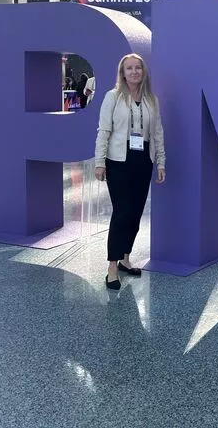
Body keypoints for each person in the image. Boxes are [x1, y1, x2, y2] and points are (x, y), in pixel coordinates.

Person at [94, 54, 166, 290]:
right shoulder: (112, 97)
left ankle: (125, 258)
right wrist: (99, 162)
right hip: (118, 160)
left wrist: (161, 162)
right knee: (122, 211)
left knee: (135, 212)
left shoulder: (151, 100)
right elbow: (103, 130)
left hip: (143, 158)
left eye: (138, 68)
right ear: (122, 73)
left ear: (143, 72)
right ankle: (112, 266)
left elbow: (157, 133)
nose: (134, 72)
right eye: (129, 68)